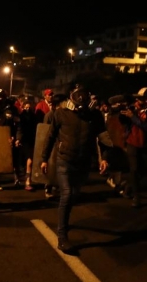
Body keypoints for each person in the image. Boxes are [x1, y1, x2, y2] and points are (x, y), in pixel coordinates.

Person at [40, 87, 112, 253]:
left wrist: (105, 158)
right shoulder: (60, 114)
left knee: (74, 194)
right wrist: (43, 159)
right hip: (64, 160)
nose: (80, 108)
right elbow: (50, 136)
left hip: (83, 162)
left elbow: (104, 138)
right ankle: (62, 236)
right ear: (71, 102)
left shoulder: (95, 116)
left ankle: (64, 221)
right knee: (67, 194)